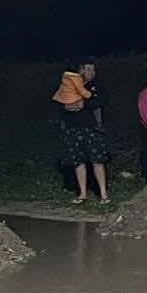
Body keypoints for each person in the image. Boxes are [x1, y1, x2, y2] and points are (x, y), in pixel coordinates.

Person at [52, 60, 109, 204]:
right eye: (89, 69)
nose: (92, 73)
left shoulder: (95, 87)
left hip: (92, 128)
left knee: (97, 160)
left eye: (94, 70)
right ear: (81, 70)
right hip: (73, 129)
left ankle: (103, 194)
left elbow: (101, 100)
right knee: (78, 161)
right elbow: (58, 103)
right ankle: (82, 194)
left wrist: (84, 104)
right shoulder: (68, 85)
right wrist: (65, 107)